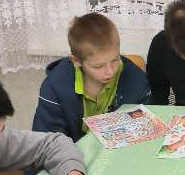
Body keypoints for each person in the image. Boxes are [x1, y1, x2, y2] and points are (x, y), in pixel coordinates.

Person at [32, 12, 150, 140]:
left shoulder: (136, 80)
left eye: (115, 60)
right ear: (76, 61)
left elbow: (146, 126)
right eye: (99, 66)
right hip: (71, 151)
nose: (110, 71)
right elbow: (47, 141)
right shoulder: (54, 88)